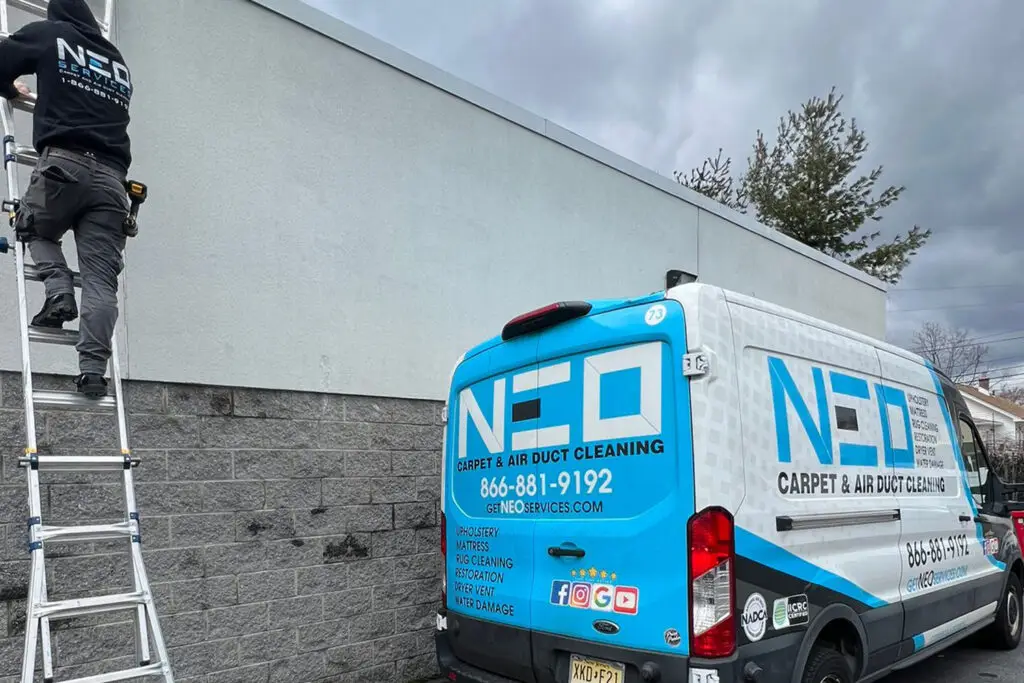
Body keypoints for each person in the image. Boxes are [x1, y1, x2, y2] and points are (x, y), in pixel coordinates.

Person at [0, 0, 134, 399]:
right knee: (101, 282)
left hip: (65, 165)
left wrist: (10, 88)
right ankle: (93, 372)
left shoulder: (51, 34)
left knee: (30, 224)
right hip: (113, 181)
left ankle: (58, 289)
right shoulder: (117, 61)